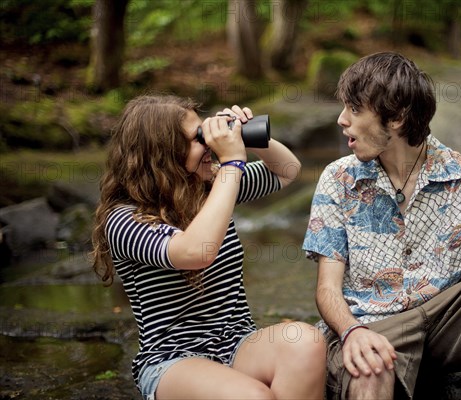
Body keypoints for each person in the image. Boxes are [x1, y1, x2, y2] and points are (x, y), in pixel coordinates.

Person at [303, 52, 461, 400]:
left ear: (396, 118)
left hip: (445, 322)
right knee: (371, 370)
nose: (341, 120)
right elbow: (327, 290)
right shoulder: (339, 178)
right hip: (374, 327)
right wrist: (351, 332)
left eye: (354, 109)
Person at [91, 95, 326, 400]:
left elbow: (286, 170)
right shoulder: (123, 219)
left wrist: (245, 134)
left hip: (239, 343)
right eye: (197, 138)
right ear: (163, 153)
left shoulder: (210, 187)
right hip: (173, 360)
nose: (209, 144)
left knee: (307, 342)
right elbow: (194, 253)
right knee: (253, 397)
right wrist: (231, 164)